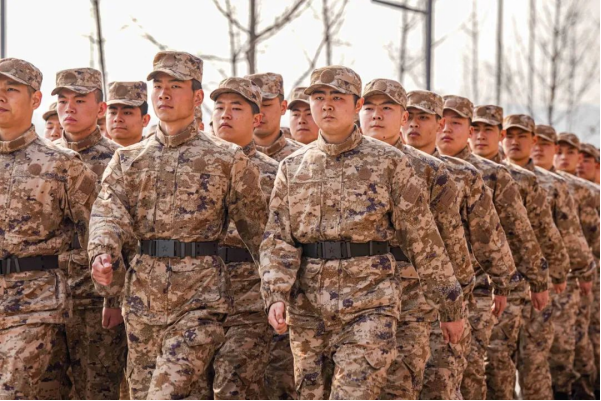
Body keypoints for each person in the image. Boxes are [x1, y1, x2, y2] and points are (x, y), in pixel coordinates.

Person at [260, 66, 464, 400]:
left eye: (337, 98)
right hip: (308, 309)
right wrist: (275, 293)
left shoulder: (388, 162)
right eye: (319, 97)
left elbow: (423, 238)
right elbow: (279, 237)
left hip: (370, 303)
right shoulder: (293, 166)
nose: (327, 105)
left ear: (356, 105)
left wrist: (450, 306)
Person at [88, 51, 268, 400]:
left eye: (175, 86)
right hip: (142, 303)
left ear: (197, 97)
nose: (164, 94)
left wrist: (278, 293)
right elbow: (108, 213)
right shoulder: (128, 159)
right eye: (158, 86)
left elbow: (261, 233)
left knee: (164, 392)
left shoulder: (226, 158)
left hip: (200, 301)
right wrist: (102, 252)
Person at [360, 78, 475, 401]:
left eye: (386, 108)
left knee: (403, 385)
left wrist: (455, 305)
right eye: (369, 107)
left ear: (402, 117)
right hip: (352, 299)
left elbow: (451, 242)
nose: (377, 115)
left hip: (413, 299)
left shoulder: (429, 171)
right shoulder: (330, 165)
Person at [400, 91, 515, 400]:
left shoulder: (462, 174)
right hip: (392, 295)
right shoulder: (378, 166)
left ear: (437, 124)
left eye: (423, 117)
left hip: (451, 292)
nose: (414, 124)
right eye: (410, 116)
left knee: (450, 381)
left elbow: (486, 235)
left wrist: (501, 282)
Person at [436, 94, 550, 400]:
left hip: (481, 288)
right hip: (427, 290)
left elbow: (521, 232)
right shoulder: (416, 167)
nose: (447, 129)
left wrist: (535, 280)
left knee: (483, 366)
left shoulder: (494, 175)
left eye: (457, 123)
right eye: (443, 121)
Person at [0, 58, 98, 400]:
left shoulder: (62, 164)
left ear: (36, 99)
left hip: (34, 304)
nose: (1, 96)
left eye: (11, 89)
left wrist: (111, 293)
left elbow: (98, 229)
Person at [53, 67, 127, 400]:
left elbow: (128, 236)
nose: (69, 108)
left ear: (100, 108)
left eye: (80, 100)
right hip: (45, 296)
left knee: (98, 389)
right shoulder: (43, 158)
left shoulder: (119, 160)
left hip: (95, 299)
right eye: (63, 100)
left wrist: (114, 298)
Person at [208, 77, 279, 400]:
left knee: (232, 384)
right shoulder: (195, 165)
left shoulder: (275, 173)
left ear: (256, 118)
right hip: (195, 295)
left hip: (249, 299)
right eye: (219, 107)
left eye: (236, 108)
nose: (225, 114)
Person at [554, 133, 600, 400]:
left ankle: (585, 387)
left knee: (581, 334)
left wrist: (585, 268)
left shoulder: (587, 192)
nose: (565, 158)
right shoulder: (549, 183)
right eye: (559, 151)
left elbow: (593, 238)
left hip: (583, 273)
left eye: (571, 153)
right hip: (555, 276)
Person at [246, 73, 303, 162]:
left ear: (283, 107)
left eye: (266, 105)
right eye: (253, 105)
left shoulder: (303, 157)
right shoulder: (231, 155)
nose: (259, 113)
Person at [106, 81, 151, 147]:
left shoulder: (158, 152)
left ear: (145, 120)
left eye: (127, 113)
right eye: (112, 113)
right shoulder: (93, 152)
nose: (117, 119)